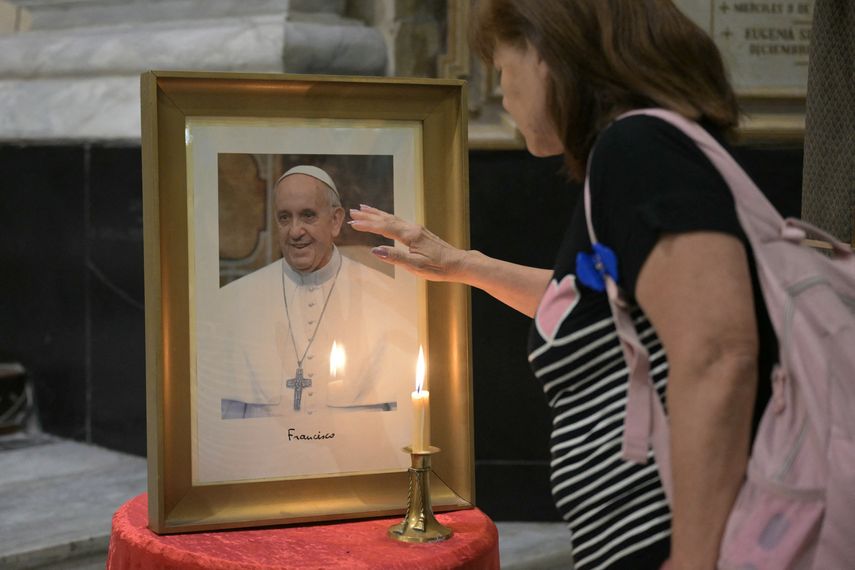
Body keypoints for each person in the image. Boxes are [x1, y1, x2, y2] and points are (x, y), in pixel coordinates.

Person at [349, 1, 776, 569]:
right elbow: (597, 307)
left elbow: (719, 353)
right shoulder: (637, 151)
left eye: (502, 68)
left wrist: (695, 556)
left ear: (546, 54)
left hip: (679, 542)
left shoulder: (639, 148)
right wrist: (460, 264)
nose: (502, 93)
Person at [217, 165, 415, 420]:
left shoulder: (385, 297)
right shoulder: (237, 299)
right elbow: (227, 420)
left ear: (335, 221)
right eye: (284, 218)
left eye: (308, 216)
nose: (295, 231)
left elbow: (398, 417)